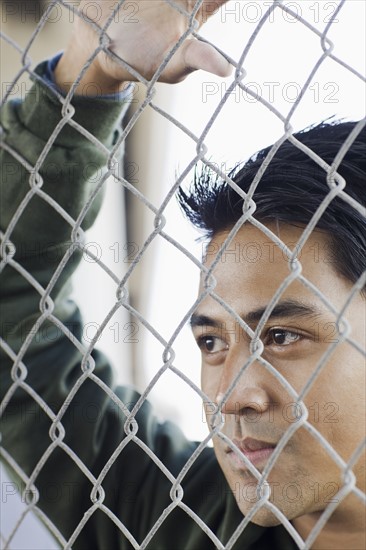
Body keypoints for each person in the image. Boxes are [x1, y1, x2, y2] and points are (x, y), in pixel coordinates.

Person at [1, 1, 365, 549]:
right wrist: (89, 71)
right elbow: (16, 317)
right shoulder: (177, 515)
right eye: (211, 341)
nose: (231, 396)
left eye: (283, 336)